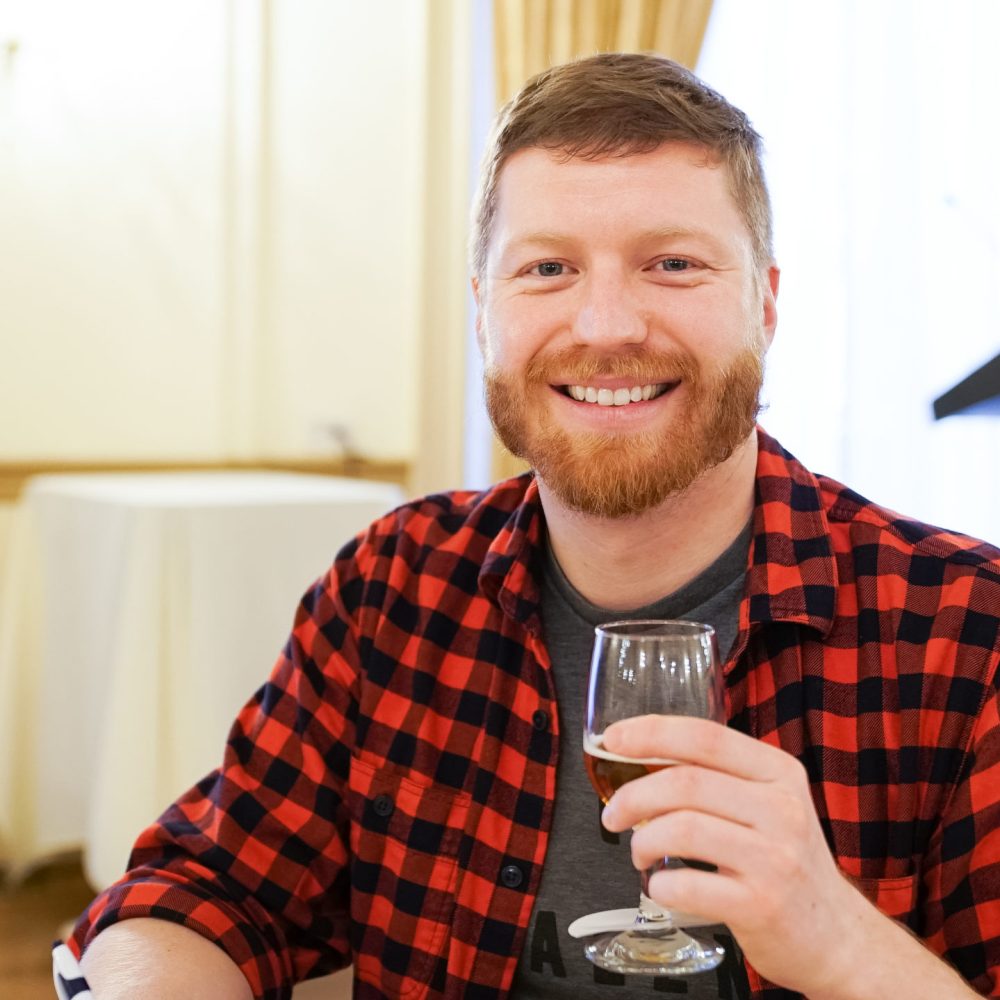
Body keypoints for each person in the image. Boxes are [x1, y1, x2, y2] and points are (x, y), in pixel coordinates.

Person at [66, 53, 1000, 1000]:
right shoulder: (396, 585)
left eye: (673, 265)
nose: (606, 325)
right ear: (484, 315)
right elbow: (205, 893)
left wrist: (842, 944)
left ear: (764, 302)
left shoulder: (969, 634)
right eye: (548, 269)